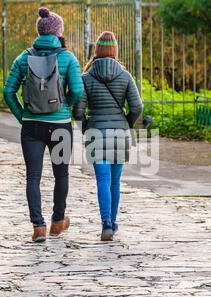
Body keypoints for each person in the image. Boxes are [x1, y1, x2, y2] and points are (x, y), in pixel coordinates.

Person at [3, 7, 84, 243]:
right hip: (60, 125)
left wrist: (22, 116)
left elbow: (8, 91)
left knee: (33, 178)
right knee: (61, 174)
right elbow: (78, 90)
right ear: (58, 33)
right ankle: (58, 221)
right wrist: (64, 108)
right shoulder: (68, 58)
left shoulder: (23, 57)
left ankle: (38, 227)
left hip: (32, 128)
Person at [74, 31, 143, 241]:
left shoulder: (86, 78)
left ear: (96, 52)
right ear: (115, 51)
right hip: (120, 134)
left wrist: (86, 126)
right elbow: (137, 106)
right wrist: (127, 123)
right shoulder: (125, 76)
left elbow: (77, 111)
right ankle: (112, 223)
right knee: (115, 180)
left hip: (96, 132)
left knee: (102, 179)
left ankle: (105, 224)